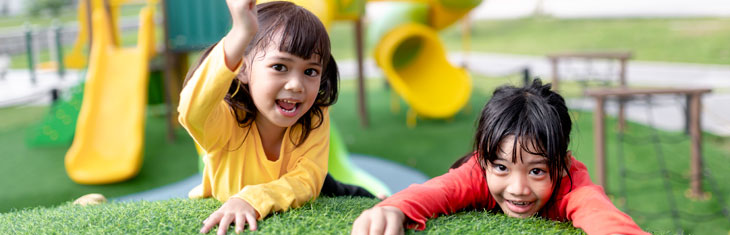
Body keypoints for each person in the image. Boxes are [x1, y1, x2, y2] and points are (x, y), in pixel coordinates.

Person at [351, 79, 649, 235]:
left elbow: (597, 211)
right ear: (484, 160)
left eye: (536, 171)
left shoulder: (570, 182)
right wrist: (393, 209)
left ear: (560, 164)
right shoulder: (476, 172)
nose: (518, 188)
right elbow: (436, 191)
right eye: (502, 167)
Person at [178, 1, 373, 234]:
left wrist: (252, 199)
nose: (296, 85)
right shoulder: (225, 121)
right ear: (242, 68)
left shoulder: (314, 115)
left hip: (324, 185)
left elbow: (307, 181)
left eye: (310, 71)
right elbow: (193, 110)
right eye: (280, 67)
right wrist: (239, 35)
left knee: (361, 197)